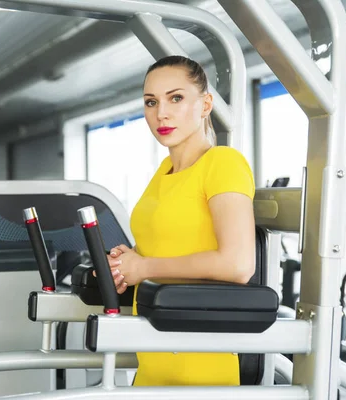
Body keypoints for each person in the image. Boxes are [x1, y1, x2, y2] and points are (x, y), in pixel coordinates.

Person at [106, 55, 257, 386]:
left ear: (205, 104)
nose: (161, 113)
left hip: (199, 364)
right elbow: (167, 244)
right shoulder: (163, 171)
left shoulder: (223, 163)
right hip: (153, 359)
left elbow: (238, 264)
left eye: (176, 98)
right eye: (151, 102)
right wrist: (125, 262)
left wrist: (144, 268)